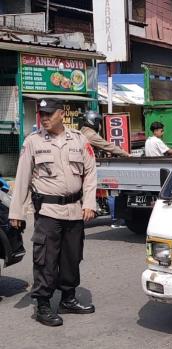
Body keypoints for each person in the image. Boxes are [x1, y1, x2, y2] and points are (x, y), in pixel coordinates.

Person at [8, 99, 97, 327]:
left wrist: (89, 203)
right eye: (41, 114)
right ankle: (43, 305)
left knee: (71, 257)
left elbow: (90, 174)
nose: (44, 118)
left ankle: (68, 298)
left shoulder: (79, 140)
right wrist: (16, 212)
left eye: (49, 114)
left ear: (61, 114)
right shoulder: (33, 142)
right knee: (46, 259)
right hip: (47, 211)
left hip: (75, 211)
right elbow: (22, 178)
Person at [78, 111, 129, 228]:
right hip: (86, 169)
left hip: (79, 169)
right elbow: (107, 146)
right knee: (111, 189)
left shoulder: (82, 132)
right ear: (93, 121)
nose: (99, 125)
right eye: (98, 122)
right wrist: (125, 154)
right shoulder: (90, 134)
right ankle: (116, 218)